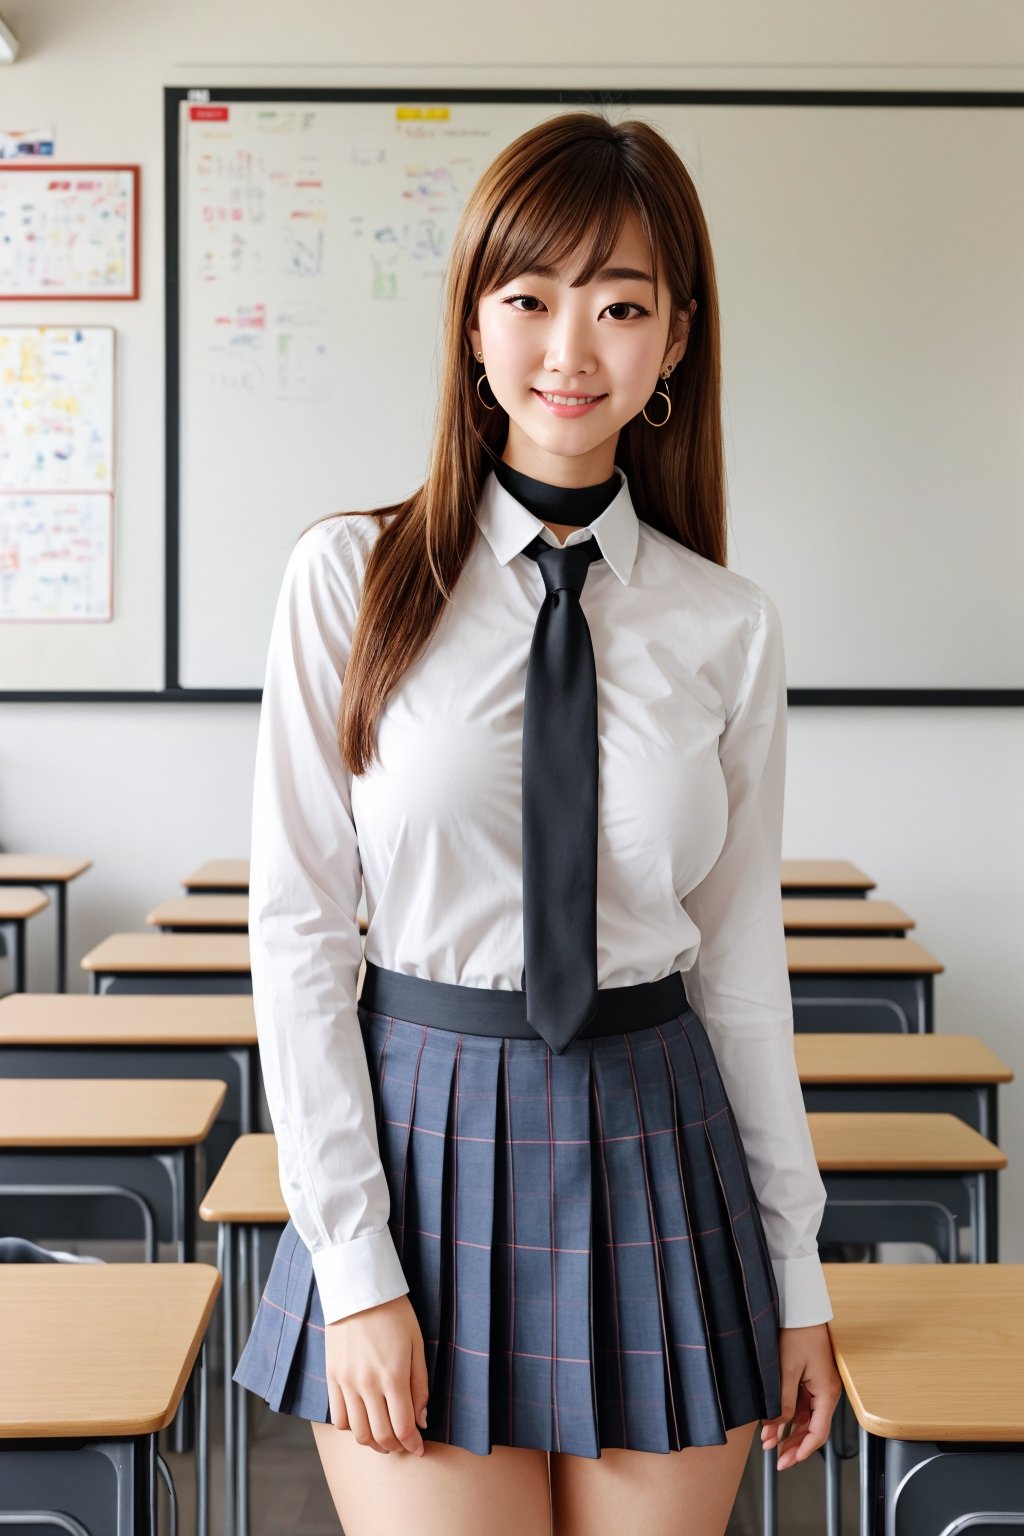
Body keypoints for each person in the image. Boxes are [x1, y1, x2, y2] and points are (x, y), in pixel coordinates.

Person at [234, 109, 843, 1536]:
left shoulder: (727, 626)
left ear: (677, 338)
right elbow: (300, 936)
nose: (571, 350)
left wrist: (798, 1277)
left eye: (622, 305)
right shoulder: (351, 580)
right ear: (473, 321)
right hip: (416, 1146)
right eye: (530, 299)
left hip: (658, 1145)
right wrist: (354, 1267)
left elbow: (744, 975)